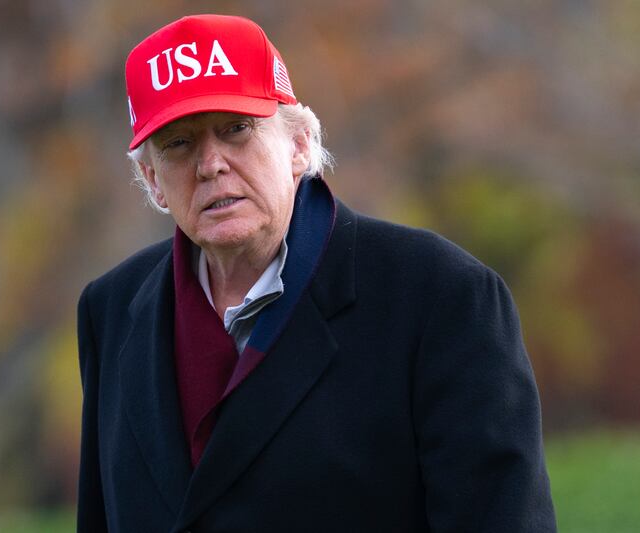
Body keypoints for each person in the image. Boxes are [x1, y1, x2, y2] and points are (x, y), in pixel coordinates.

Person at [77, 14, 556, 533]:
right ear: (152, 181)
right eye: (179, 144)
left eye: (237, 129)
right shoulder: (111, 312)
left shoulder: (440, 296)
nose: (210, 164)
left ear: (300, 144)